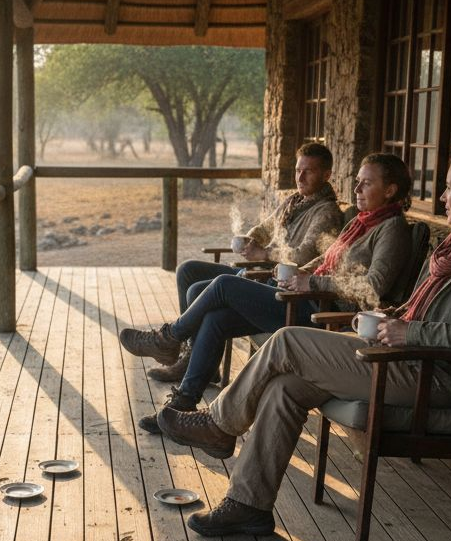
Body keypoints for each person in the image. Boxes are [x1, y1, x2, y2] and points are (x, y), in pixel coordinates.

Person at [156, 148, 451, 537]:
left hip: (435, 375)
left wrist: (411, 333)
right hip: (405, 356)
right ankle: (248, 504)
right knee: (286, 387)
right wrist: (393, 317)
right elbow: (418, 308)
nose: (442, 197)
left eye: (450, 187)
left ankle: (219, 424)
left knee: (287, 342)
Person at [120, 153, 419, 434]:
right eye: (357, 181)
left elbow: (373, 286)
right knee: (216, 318)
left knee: (224, 284)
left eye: (367, 182)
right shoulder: (360, 221)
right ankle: (184, 400)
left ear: (390, 190)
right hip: (302, 296)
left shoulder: (391, 229)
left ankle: (168, 338)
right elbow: (327, 260)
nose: (357, 188)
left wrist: (311, 284)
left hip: (321, 314)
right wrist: (301, 273)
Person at [152, 142, 344, 383]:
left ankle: (183, 351)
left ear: (326, 175)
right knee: (188, 271)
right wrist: (250, 239)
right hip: (260, 271)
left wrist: (264, 255)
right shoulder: (294, 202)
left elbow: (303, 256)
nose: (300, 177)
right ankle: (192, 357)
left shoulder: (326, 212)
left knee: (198, 290)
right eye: (297, 170)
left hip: (276, 283)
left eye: (309, 171)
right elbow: (266, 228)